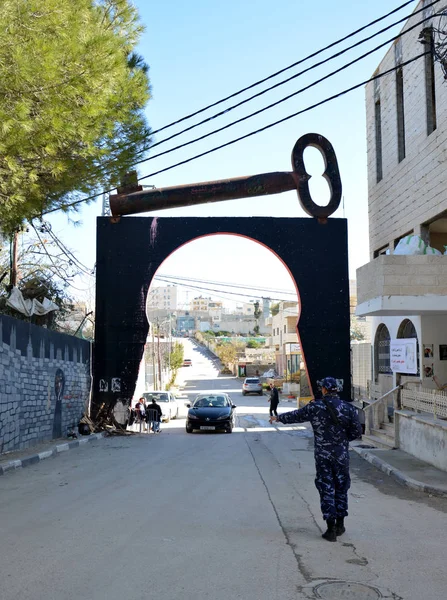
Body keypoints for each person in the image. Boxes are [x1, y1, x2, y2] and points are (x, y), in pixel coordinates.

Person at [269, 376, 361, 542]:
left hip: (323, 456)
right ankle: (341, 524)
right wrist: (341, 441)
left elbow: (297, 415)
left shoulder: (316, 407)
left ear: (324, 389)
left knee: (326, 487)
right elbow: (356, 432)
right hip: (341, 455)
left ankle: (330, 529)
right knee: (341, 486)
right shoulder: (349, 408)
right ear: (337, 389)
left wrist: (278, 418)